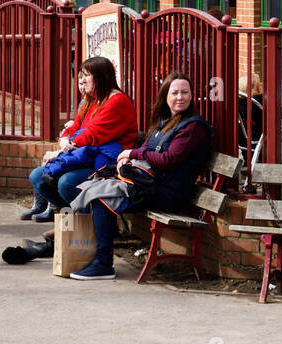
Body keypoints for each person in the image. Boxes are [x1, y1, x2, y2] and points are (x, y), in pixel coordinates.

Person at [68, 73, 213, 281]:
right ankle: (88, 255)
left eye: (185, 92)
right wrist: (126, 159)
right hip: (150, 185)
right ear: (165, 96)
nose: (180, 97)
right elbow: (147, 147)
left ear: (191, 97)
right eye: (175, 93)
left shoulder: (193, 128)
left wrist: (133, 153)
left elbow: (169, 160)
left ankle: (103, 264)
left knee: (102, 197)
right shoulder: (166, 121)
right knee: (92, 187)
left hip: (167, 193)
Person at [23, 56, 137, 221]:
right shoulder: (91, 100)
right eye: (80, 76)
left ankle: (89, 224)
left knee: (66, 182)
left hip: (106, 163)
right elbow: (74, 127)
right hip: (83, 157)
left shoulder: (117, 101)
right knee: (38, 177)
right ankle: (69, 221)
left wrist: (59, 153)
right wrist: (64, 140)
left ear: (101, 76)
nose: (81, 81)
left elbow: (92, 135)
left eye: (86, 75)